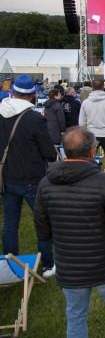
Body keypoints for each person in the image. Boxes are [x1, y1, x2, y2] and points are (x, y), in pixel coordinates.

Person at [33, 127, 105, 338]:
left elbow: (43, 229)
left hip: (73, 264)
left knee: (76, 316)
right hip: (103, 264)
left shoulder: (46, 185)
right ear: (91, 152)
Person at [1, 75, 57, 278]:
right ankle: (48, 264)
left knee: (10, 222)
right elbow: (49, 152)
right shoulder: (34, 118)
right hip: (32, 177)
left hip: (6, 176)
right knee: (42, 221)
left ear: (12, 92)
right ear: (33, 95)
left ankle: (10, 262)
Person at [79, 79, 105, 176]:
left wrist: (84, 133)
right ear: (103, 87)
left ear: (92, 88)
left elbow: (82, 121)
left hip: (92, 133)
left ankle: (88, 178)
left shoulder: (86, 102)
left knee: (88, 159)